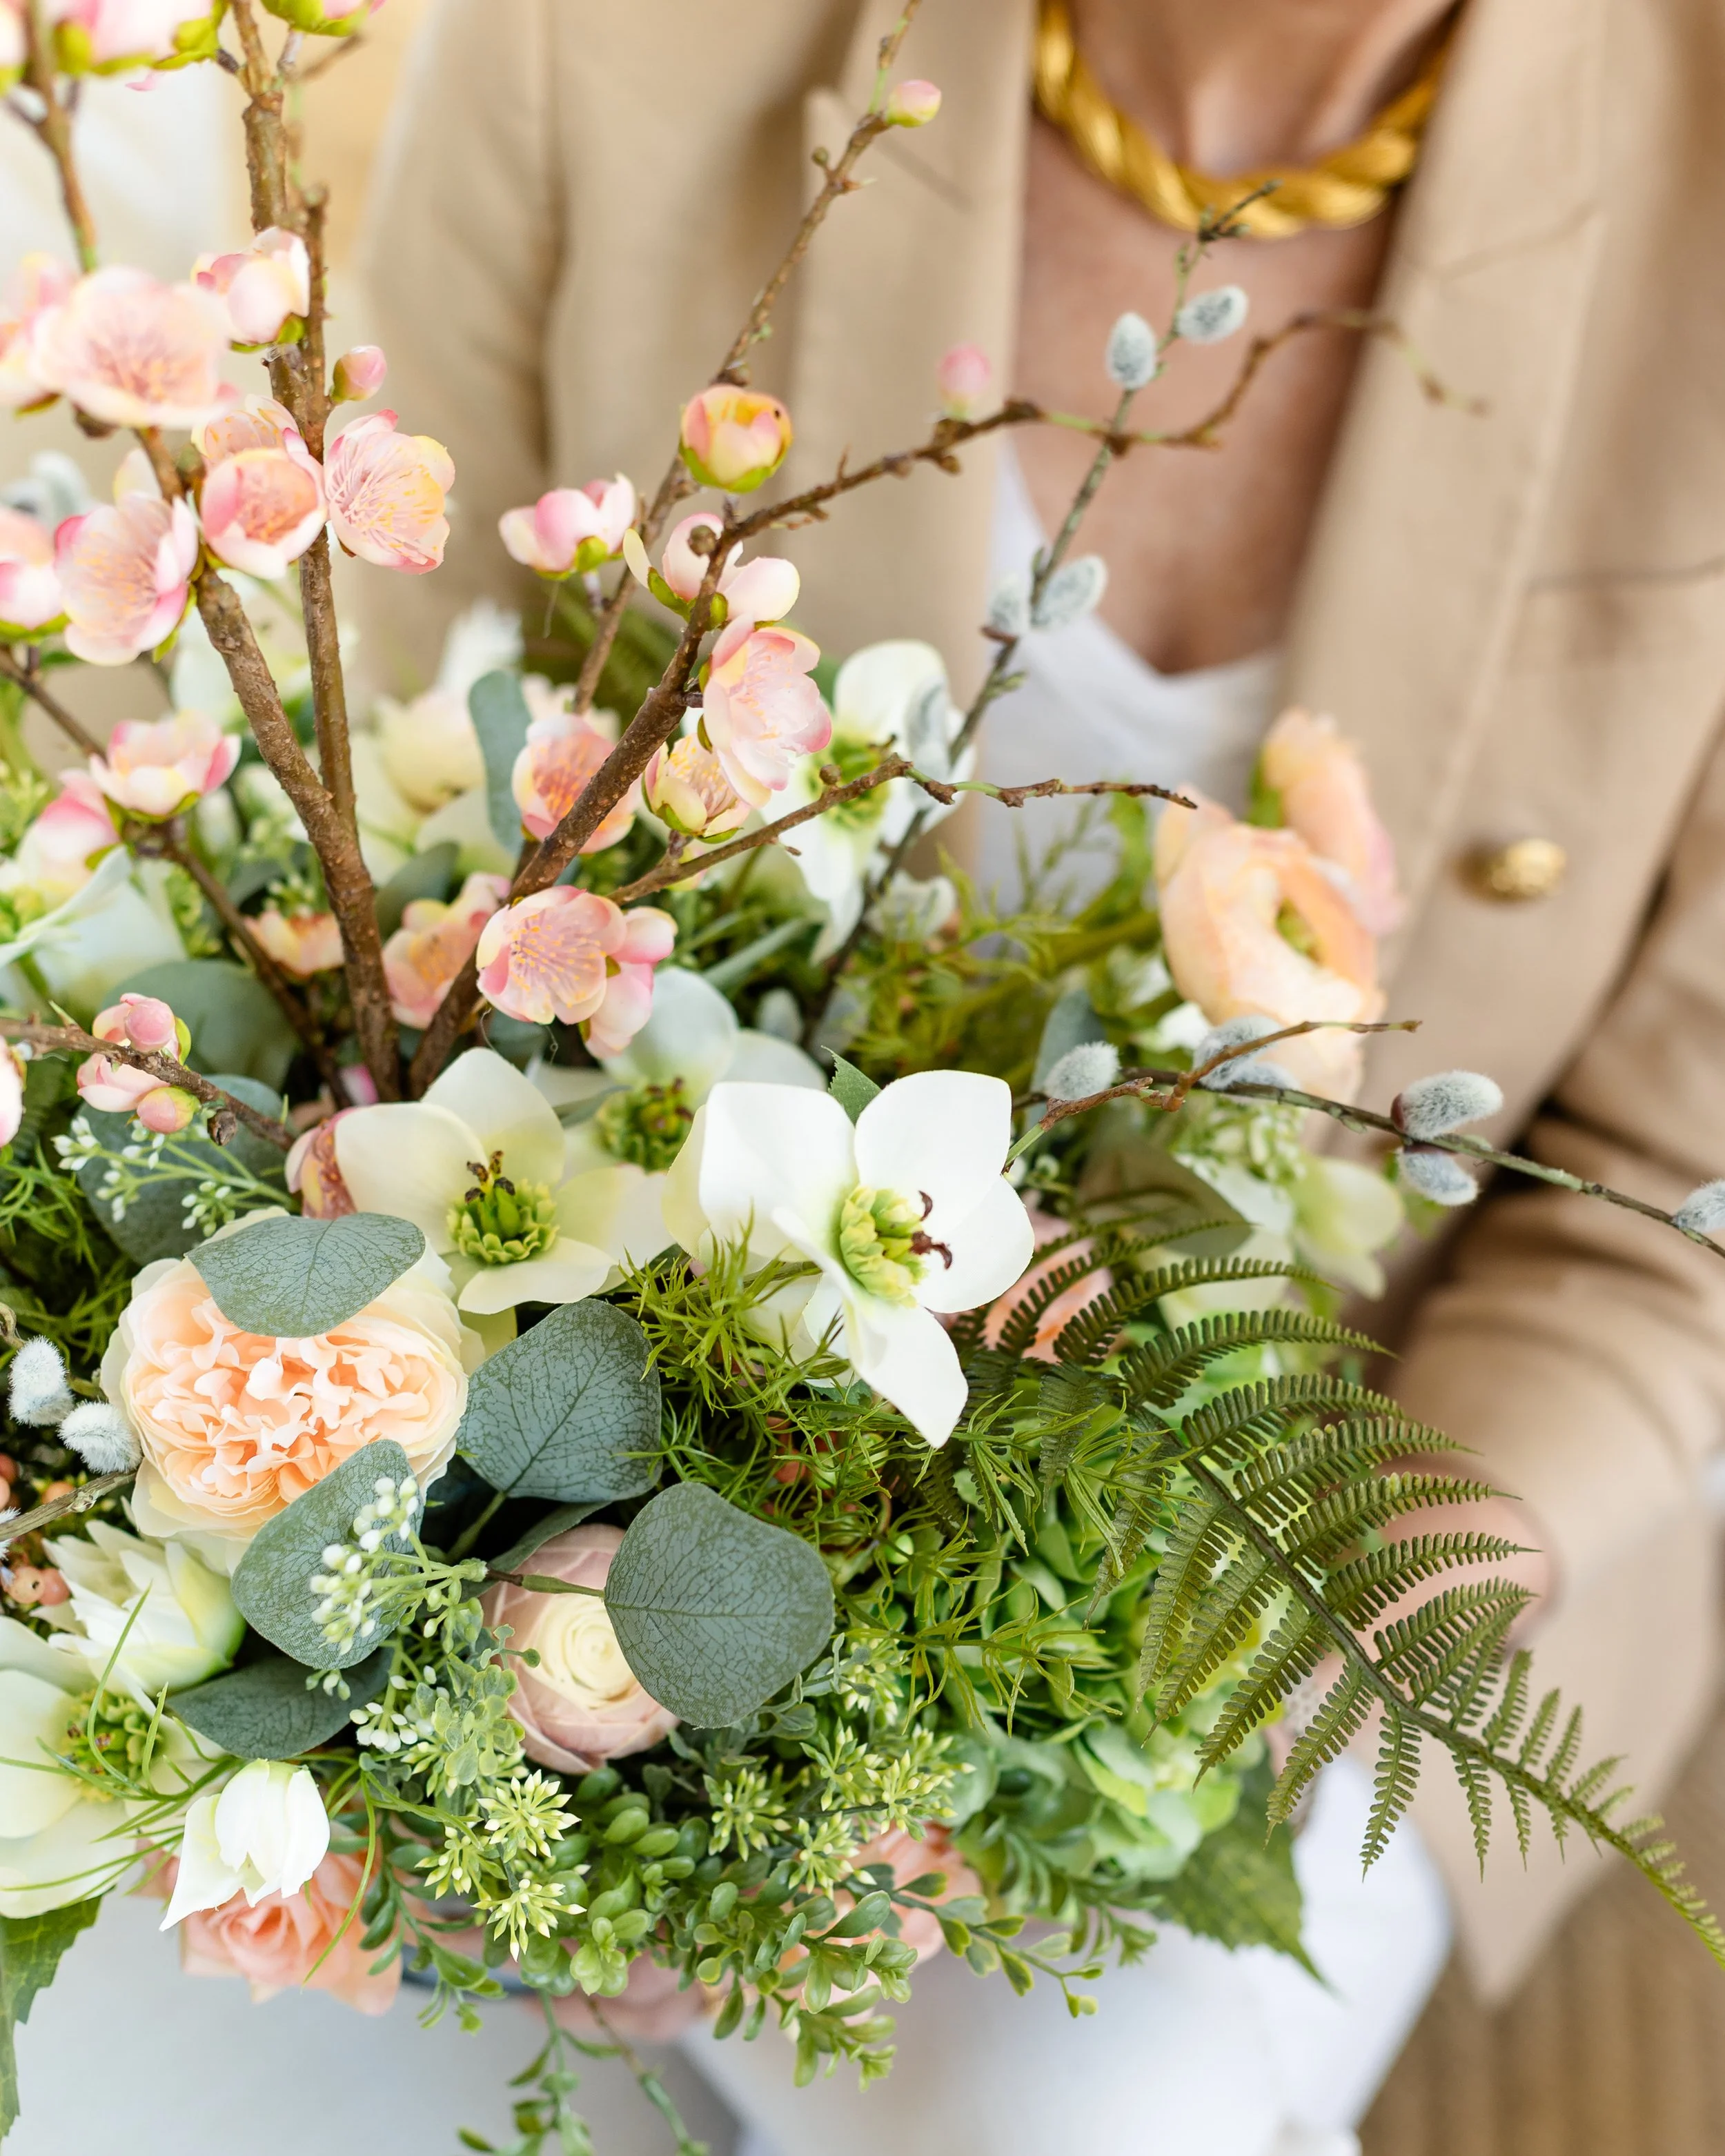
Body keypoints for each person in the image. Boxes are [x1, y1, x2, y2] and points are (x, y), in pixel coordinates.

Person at [355, 0, 1725, 2142]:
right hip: (569, 1428)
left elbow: (1673, 1219)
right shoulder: (590, 50)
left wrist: (1244, 1622)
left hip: (1312, 1512)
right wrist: (552, 1650)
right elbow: (355, 862)